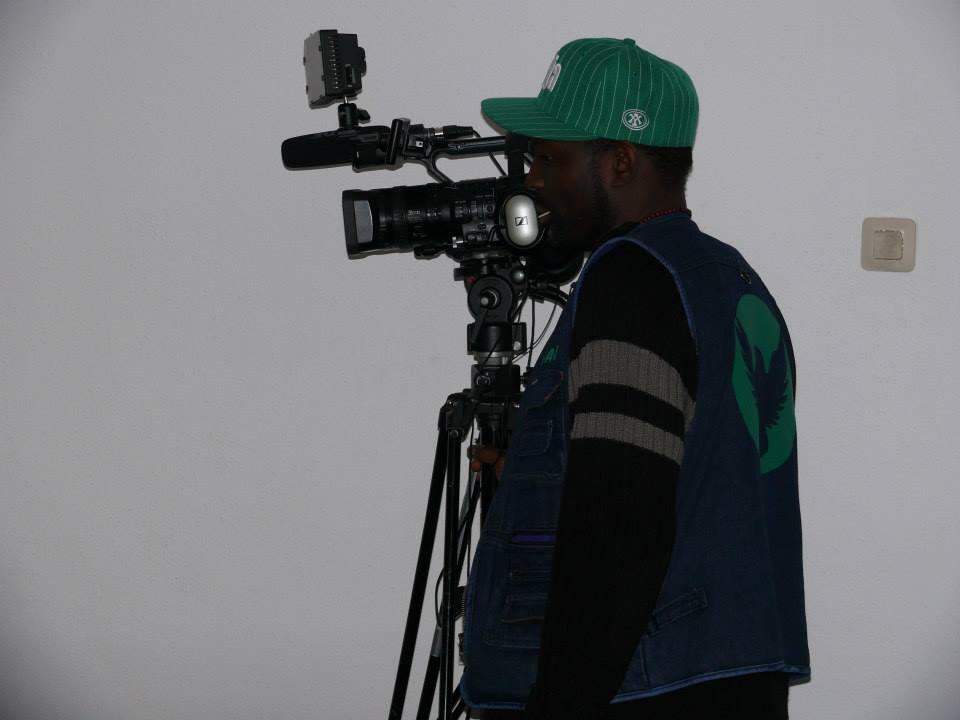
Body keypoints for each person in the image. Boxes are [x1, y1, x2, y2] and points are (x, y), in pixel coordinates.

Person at [460, 37, 810, 720]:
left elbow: (618, 527)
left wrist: (559, 705)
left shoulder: (630, 281)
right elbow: (691, 474)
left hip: (645, 684)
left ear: (620, 161)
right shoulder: (729, 278)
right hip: (733, 672)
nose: (534, 181)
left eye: (549, 158)